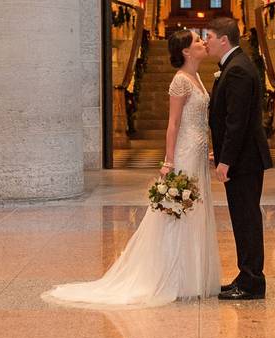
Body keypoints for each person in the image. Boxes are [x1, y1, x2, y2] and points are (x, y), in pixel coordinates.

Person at [41, 29, 220, 307]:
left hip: (197, 152)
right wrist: (168, 161)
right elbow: (173, 124)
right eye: (197, 41)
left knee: (195, 209)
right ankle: (175, 276)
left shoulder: (197, 77)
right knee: (179, 211)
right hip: (183, 153)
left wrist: (207, 150)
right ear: (185, 51)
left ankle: (193, 276)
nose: (202, 43)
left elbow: (197, 120)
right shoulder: (180, 81)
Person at [205, 17, 272, 301]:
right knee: (243, 218)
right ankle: (245, 276)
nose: (205, 41)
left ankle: (252, 282)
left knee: (246, 219)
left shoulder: (237, 71)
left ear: (223, 40)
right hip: (242, 158)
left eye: (208, 36)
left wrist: (225, 161)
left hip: (243, 161)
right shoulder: (235, 66)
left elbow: (237, 122)